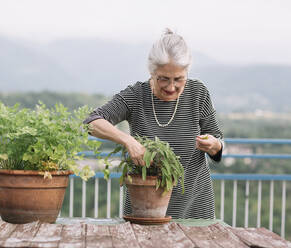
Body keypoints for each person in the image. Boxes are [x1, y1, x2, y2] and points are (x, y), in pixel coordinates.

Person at [84, 28, 224, 219]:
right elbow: (92, 122)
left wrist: (214, 145)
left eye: (178, 79)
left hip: (194, 208)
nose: (171, 87)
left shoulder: (198, 93)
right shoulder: (136, 95)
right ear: (152, 72)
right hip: (144, 209)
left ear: (187, 73)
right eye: (163, 79)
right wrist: (128, 141)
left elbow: (217, 139)